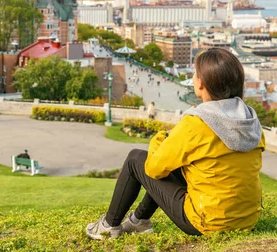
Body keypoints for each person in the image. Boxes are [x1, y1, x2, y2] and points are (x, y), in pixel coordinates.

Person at [86, 48, 265, 240]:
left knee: (135, 159)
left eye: (195, 74)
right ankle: (139, 221)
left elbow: (153, 169)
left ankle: (108, 225)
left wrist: (161, 138)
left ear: (201, 83)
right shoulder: (250, 121)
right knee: (181, 165)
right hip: (247, 220)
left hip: (207, 222)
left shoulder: (196, 124)